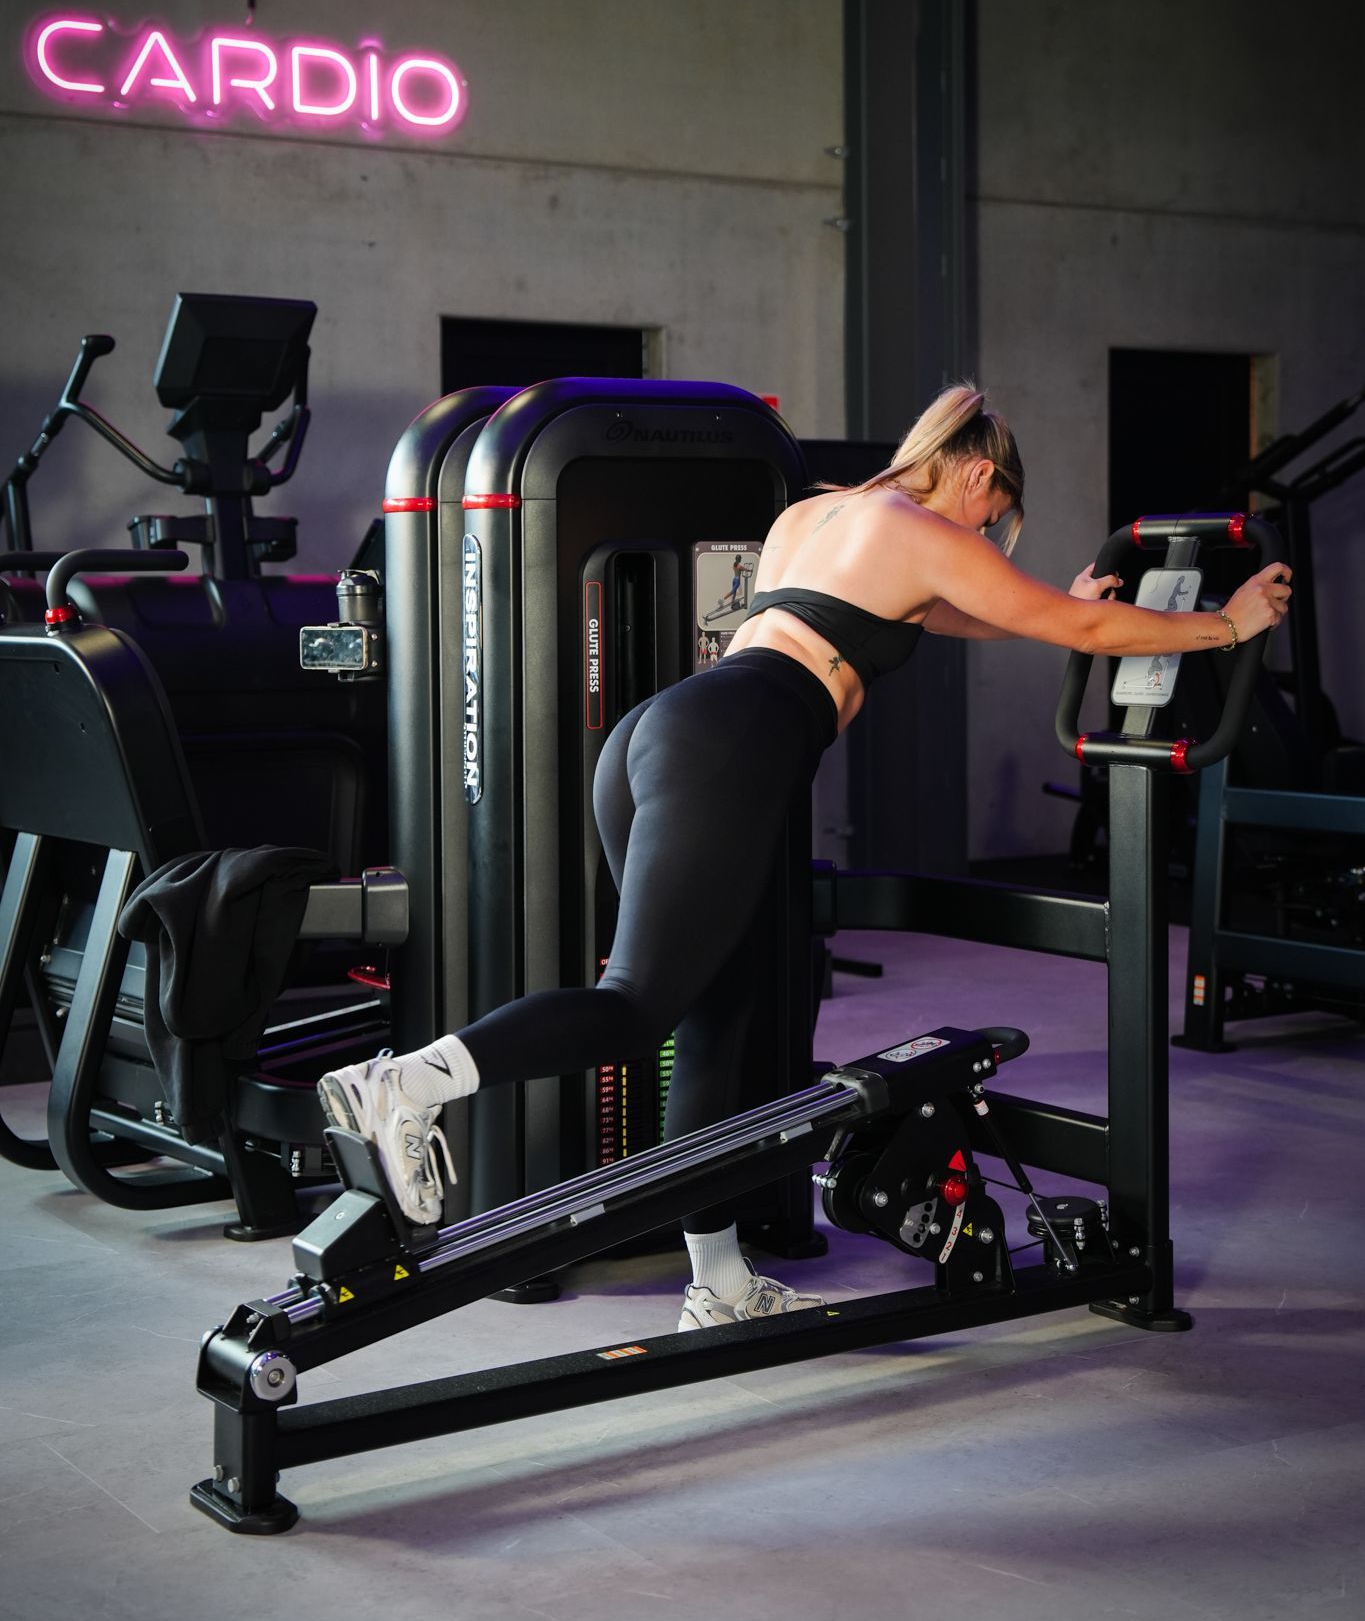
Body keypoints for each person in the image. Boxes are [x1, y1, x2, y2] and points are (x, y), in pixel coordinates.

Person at [319, 385, 1291, 1329]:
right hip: (730, 743)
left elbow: (959, 611)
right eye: (994, 518)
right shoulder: (925, 529)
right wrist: (1226, 625)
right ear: (981, 475)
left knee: (717, 1018)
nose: (987, 538)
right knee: (638, 1001)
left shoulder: (819, 514)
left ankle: (720, 1280)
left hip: (664, 729)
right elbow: (1074, 628)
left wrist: (1047, 598)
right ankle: (405, 1083)